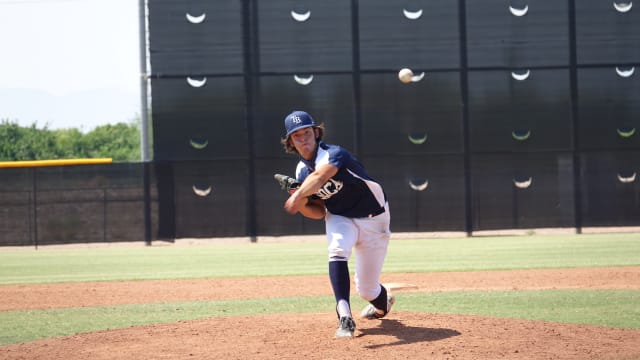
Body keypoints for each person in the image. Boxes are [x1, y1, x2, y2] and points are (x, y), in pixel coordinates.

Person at [280, 110, 393, 338]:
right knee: (337, 250)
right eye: (297, 135)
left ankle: (384, 303)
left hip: (373, 218)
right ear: (290, 142)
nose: (303, 139)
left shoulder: (334, 154)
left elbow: (321, 177)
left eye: (307, 132)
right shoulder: (301, 171)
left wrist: (296, 195)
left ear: (316, 132)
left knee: (367, 289)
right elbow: (319, 211)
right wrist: (301, 202)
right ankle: (344, 316)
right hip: (340, 216)